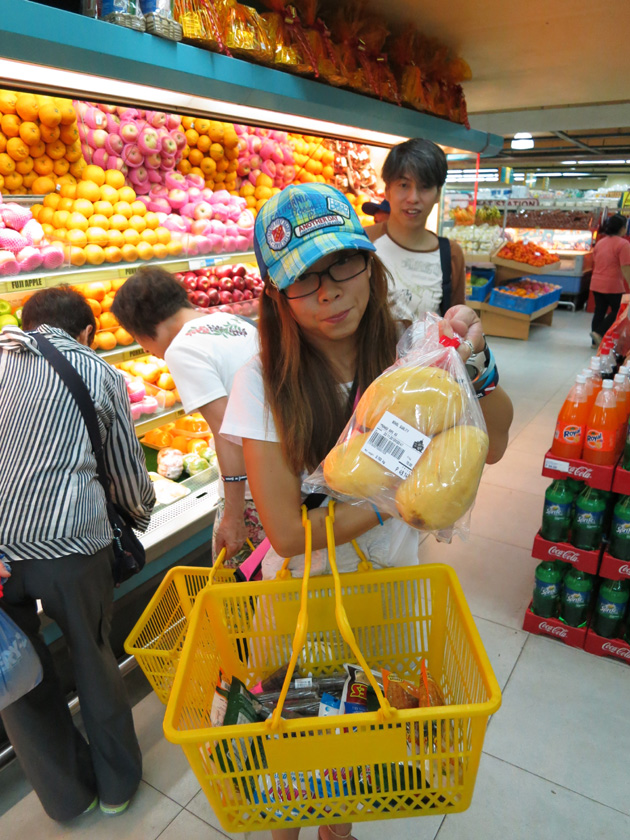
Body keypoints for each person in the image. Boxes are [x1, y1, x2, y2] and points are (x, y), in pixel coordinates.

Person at [221, 183, 513, 840]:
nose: (329, 293)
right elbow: (290, 536)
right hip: (302, 601)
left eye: (342, 266)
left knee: (353, 752)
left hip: (389, 594)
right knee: (294, 764)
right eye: (304, 281)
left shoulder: (416, 352)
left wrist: (480, 368)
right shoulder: (261, 379)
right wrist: (393, 501)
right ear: (276, 295)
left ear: (368, 262)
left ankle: (339, 832)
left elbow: (490, 445)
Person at [0, 286, 155, 821]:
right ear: (86, 332)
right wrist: (139, 518)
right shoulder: (99, 372)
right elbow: (127, 480)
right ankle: (117, 786)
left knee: (14, 674)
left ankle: (68, 798)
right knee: (92, 659)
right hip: (70, 544)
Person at [112, 267, 261, 565]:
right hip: (285, 472)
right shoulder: (230, 321)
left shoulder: (183, 348)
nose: (145, 349)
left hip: (255, 490)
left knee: (240, 591)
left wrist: (232, 515)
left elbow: (227, 434)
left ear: (141, 327)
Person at [365, 138, 466, 326]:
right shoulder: (363, 242)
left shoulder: (450, 254)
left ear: (438, 194)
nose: (413, 198)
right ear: (387, 191)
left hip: (427, 356)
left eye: (425, 187)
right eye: (403, 185)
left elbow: (456, 327)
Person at [590, 213, 630, 346]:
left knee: (599, 311)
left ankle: (595, 342)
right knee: (619, 310)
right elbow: (625, 267)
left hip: (596, 282)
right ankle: (599, 333)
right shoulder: (623, 244)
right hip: (612, 284)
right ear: (622, 228)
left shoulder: (601, 242)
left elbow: (595, 260)